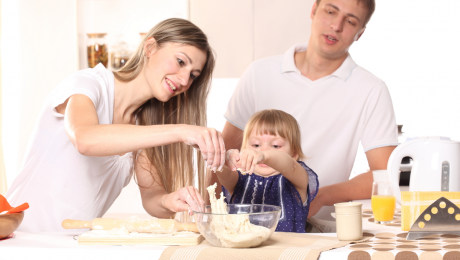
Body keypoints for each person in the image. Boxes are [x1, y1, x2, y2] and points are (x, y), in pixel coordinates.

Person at [6, 18, 226, 232]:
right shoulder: (89, 85)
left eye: (193, 76)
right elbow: (85, 140)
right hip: (22, 237)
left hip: (70, 246)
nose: (185, 80)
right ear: (150, 47)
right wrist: (182, 131)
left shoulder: (143, 125)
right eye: (180, 62)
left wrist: (170, 201)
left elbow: (152, 198)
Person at [210, 0, 398, 231]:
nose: (336, 26)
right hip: (246, 228)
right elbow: (223, 154)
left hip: (321, 229)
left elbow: (383, 175)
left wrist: (320, 196)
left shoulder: (371, 89)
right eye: (330, 11)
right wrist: (210, 216)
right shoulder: (259, 73)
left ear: (360, 33)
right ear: (313, 10)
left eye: (350, 21)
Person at [216, 109, 319, 233]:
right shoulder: (239, 181)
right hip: (243, 252)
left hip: (287, 251)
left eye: (275, 146)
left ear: (294, 154)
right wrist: (225, 160)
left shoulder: (296, 179)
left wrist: (264, 156)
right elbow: (224, 174)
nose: (264, 150)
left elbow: (288, 164)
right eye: (255, 145)